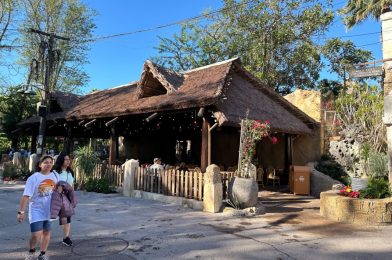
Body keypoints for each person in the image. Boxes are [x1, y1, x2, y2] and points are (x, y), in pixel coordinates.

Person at [17, 155, 58, 260]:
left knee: (47, 232)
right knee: (36, 234)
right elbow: (26, 195)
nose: (48, 164)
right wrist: (21, 212)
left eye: (50, 162)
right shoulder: (34, 178)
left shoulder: (55, 175)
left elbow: (60, 189)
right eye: (45, 162)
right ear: (40, 165)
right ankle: (31, 251)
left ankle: (43, 254)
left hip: (50, 210)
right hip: (36, 210)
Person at [53, 153, 75, 247]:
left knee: (67, 217)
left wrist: (72, 196)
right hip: (56, 197)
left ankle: (66, 238)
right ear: (61, 160)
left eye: (68, 159)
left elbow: (72, 185)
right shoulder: (55, 172)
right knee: (50, 218)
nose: (68, 161)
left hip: (67, 197)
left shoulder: (70, 172)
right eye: (66, 159)